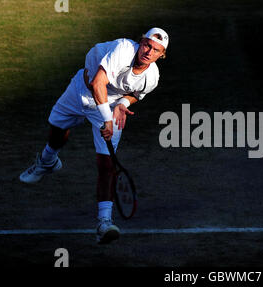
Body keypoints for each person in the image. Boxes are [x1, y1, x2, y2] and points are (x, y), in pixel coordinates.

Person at [19, 27, 169, 244]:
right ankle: (48, 161)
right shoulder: (123, 49)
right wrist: (106, 119)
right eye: (147, 44)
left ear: (160, 55)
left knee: (107, 165)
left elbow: (136, 94)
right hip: (82, 90)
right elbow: (98, 82)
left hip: (112, 105)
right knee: (57, 128)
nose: (148, 51)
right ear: (141, 42)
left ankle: (104, 222)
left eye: (155, 50)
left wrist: (123, 104)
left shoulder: (152, 77)